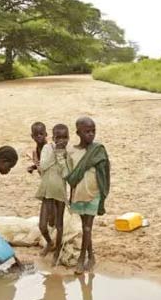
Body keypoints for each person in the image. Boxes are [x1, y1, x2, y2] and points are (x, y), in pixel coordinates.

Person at [66, 117, 110, 274]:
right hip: (79, 194)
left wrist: (103, 193)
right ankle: (91, 256)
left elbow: (105, 173)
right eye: (87, 132)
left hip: (94, 194)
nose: (90, 134)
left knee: (87, 228)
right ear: (78, 132)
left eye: (93, 131)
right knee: (85, 227)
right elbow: (71, 176)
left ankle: (81, 258)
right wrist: (71, 197)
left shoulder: (98, 150)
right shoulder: (71, 152)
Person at [36, 124, 70, 264]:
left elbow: (67, 173)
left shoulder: (69, 153)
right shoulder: (47, 148)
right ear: (53, 137)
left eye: (64, 137)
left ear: (68, 138)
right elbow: (43, 166)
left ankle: (57, 252)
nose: (61, 140)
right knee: (43, 225)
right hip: (46, 190)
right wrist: (55, 152)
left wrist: (61, 157)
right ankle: (50, 243)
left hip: (60, 192)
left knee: (59, 224)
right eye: (58, 137)